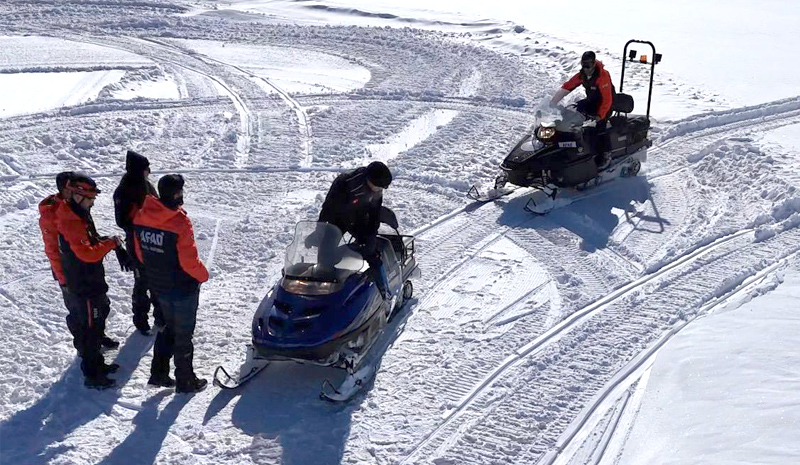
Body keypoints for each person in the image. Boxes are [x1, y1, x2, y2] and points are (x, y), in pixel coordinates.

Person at [133, 174, 209, 393]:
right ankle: (185, 380)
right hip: (182, 287)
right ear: (177, 194)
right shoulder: (179, 221)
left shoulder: (141, 216)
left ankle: (159, 373)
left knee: (166, 327)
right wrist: (203, 276)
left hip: (157, 284)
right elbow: (188, 261)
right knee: (183, 334)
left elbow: (140, 253)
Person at [56, 174, 123, 389]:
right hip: (83, 285)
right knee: (90, 329)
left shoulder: (80, 214)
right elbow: (88, 254)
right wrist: (111, 244)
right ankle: (93, 374)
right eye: (90, 198)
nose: (93, 202)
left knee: (98, 320)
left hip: (91, 281)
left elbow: (92, 242)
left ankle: (97, 365)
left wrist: (108, 242)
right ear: (78, 195)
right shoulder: (71, 220)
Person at [317, 161, 393, 300]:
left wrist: (371, 236)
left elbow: (374, 214)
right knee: (324, 257)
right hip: (337, 219)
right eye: (379, 187)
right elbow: (327, 209)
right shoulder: (344, 183)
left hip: (358, 219)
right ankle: (327, 294)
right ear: (369, 180)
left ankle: (385, 293)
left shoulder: (376, 190)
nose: (380, 191)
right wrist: (319, 230)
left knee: (372, 252)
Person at [113, 149, 162, 335]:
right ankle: (141, 320)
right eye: (146, 169)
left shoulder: (147, 186)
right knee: (142, 281)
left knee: (156, 279)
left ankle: (160, 316)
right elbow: (122, 220)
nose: (149, 172)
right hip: (136, 241)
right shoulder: (124, 191)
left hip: (153, 240)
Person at [550, 51, 616, 167]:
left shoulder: (602, 76)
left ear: (594, 64)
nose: (585, 68)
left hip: (606, 105)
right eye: (583, 65)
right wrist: (553, 101)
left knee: (600, 127)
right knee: (572, 110)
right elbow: (568, 86)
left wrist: (600, 115)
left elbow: (607, 100)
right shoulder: (582, 75)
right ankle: (569, 146)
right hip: (592, 101)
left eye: (588, 65)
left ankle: (605, 154)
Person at [38, 171, 74, 304]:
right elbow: (52, 249)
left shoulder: (73, 205)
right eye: (72, 188)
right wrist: (63, 280)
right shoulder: (52, 215)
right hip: (67, 272)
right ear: (64, 189)